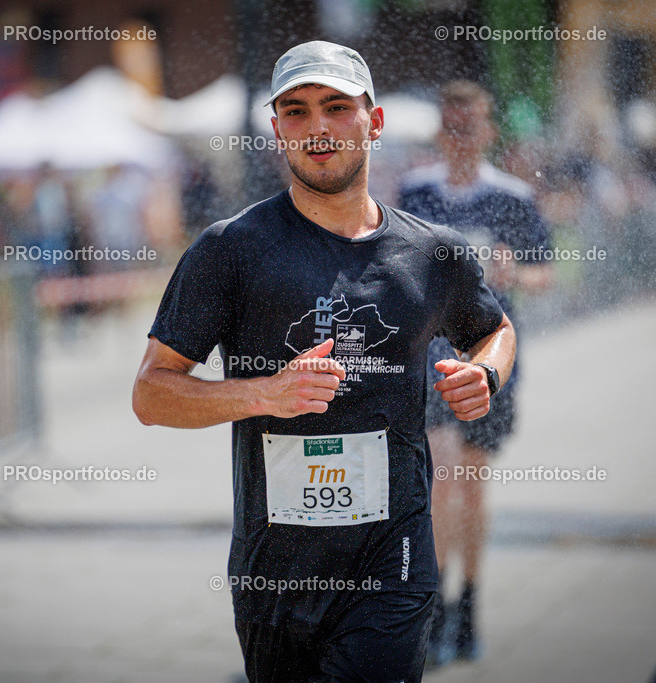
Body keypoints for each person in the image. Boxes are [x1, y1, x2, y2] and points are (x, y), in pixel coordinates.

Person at [133, 42, 516, 682]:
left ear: (376, 120)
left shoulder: (432, 255)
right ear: (276, 126)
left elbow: (494, 328)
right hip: (274, 572)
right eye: (298, 110)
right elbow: (152, 394)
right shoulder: (230, 250)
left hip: (392, 560)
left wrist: (486, 374)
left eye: (337, 108)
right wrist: (264, 394)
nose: (318, 127)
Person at [398, 80, 554, 665]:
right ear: (441, 132)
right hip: (433, 356)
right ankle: (436, 612)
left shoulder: (512, 197)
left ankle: (470, 605)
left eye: (472, 126)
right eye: (452, 126)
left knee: (470, 481)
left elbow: (547, 273)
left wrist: (515, 272)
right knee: (440, 477)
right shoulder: (415, 192)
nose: (461, 137)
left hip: (491, 356)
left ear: (488, 131)